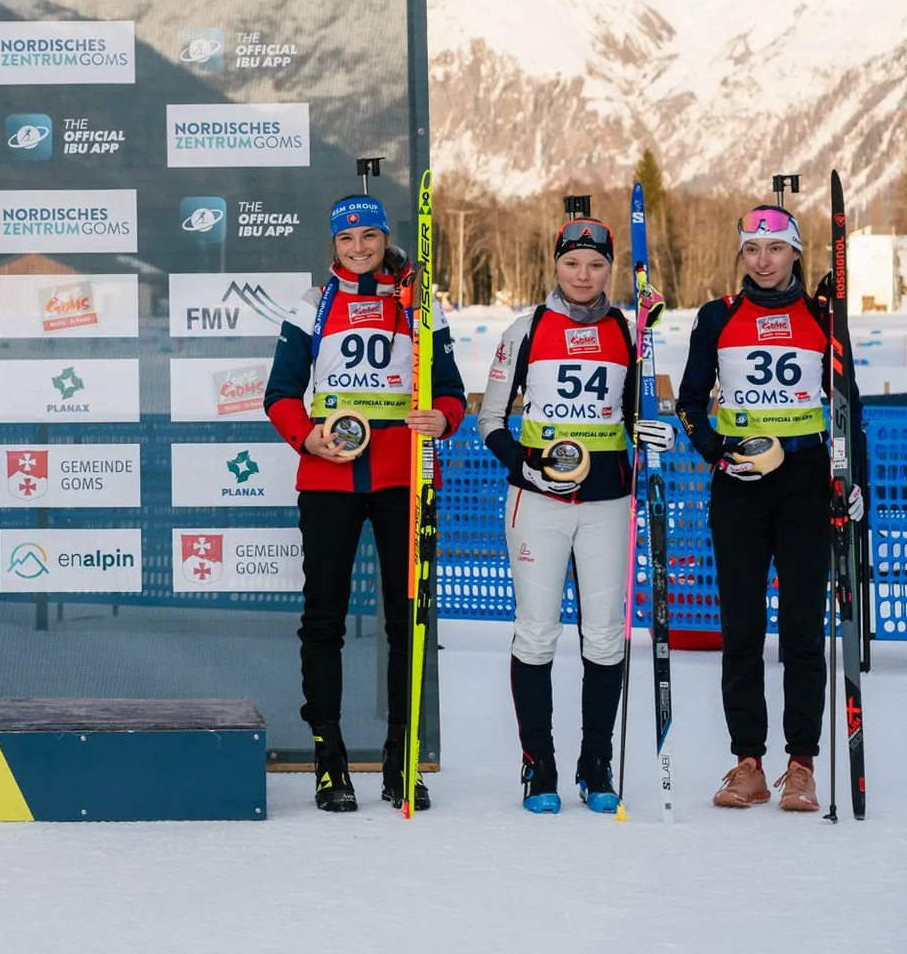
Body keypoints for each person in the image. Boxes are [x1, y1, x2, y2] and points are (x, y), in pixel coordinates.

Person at [264, 189, 466, 812]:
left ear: (384, 239)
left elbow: (451, 391)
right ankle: (330, 761)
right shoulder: (312, 304)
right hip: (329, 478)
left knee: (406, 621)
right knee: (323, 620)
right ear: (334, 244)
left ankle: (403, 759)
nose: (359, 248)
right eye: (347, 239)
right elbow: (280, 394)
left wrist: (443, 419)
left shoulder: (419, 304)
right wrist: (307, 438)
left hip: (402, 478)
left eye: (369, 237)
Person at [476, 209, 676, 813]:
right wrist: (524, 463)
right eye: (571, 263)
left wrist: (653, 433)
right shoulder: (527, 329)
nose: (582, 275)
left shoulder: (629, 332)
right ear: (556, 266)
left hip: (607, 502)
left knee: (606, 634)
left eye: (594, 264)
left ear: (610, 269)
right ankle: (539, 764)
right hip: (537, 500)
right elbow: (490, 419)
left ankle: (596, 764)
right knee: (537, 630)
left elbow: (642, 414)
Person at [676, 201, 866, 813]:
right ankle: (748, 763)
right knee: (742, 628)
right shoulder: (718, 316)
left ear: (796, 253)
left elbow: (849, 405)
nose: (763, 261)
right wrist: (715, 452)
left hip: (806, 481)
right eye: (753, 249)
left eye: (776, 248)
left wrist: (853, 480)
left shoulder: (822, 317)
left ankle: (801, 764)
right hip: (741, 480)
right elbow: (689, 401)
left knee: (804, 628)